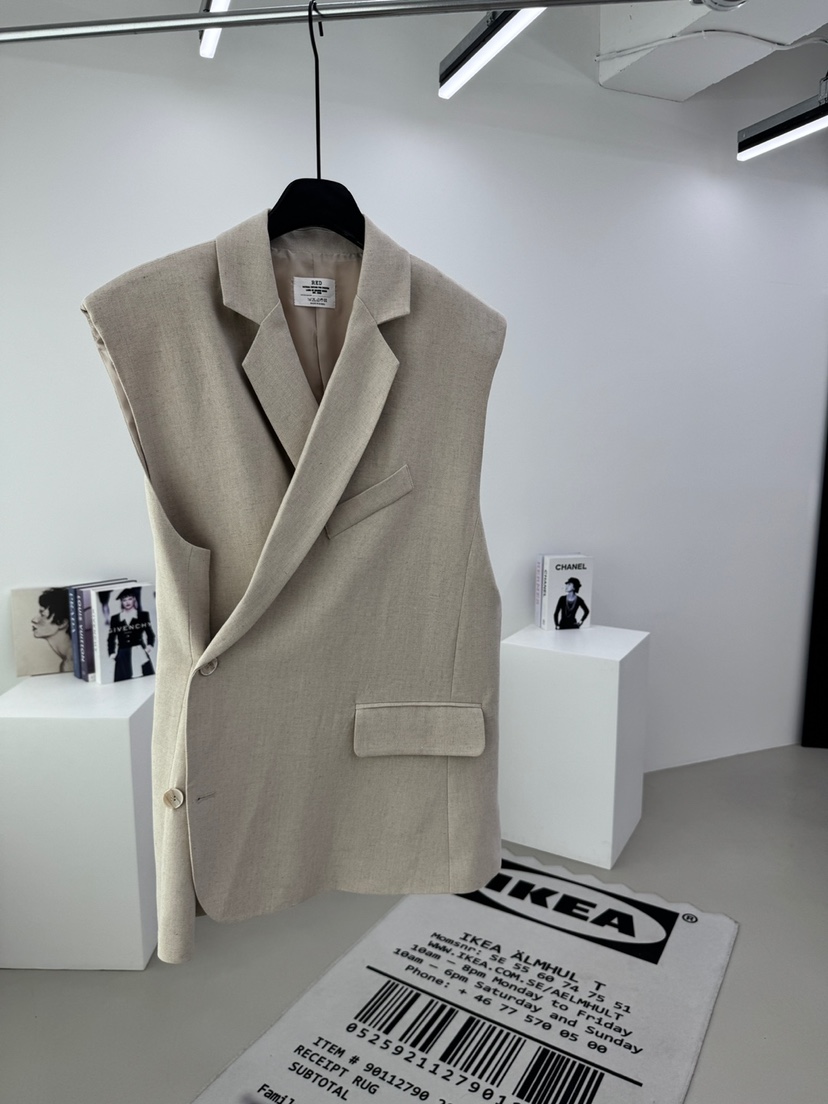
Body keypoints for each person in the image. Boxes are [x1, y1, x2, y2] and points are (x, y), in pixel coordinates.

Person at [106, 587, 156, 680]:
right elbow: (111, 638)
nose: (127, 602)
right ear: (121, 602)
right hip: (123, 654)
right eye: (124, 600)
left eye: (130, 599)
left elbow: (150, 633)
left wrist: (149, 645)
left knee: (147, 680)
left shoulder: (142, 615)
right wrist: (112, 652)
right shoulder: (115, 618)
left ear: (134, 599)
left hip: (140, 652)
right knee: (123, 681)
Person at [30, 588, 73, 671]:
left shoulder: (70, 663)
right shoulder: (69, 660)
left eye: (42, 614)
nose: (34, 620)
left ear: (62, 623)